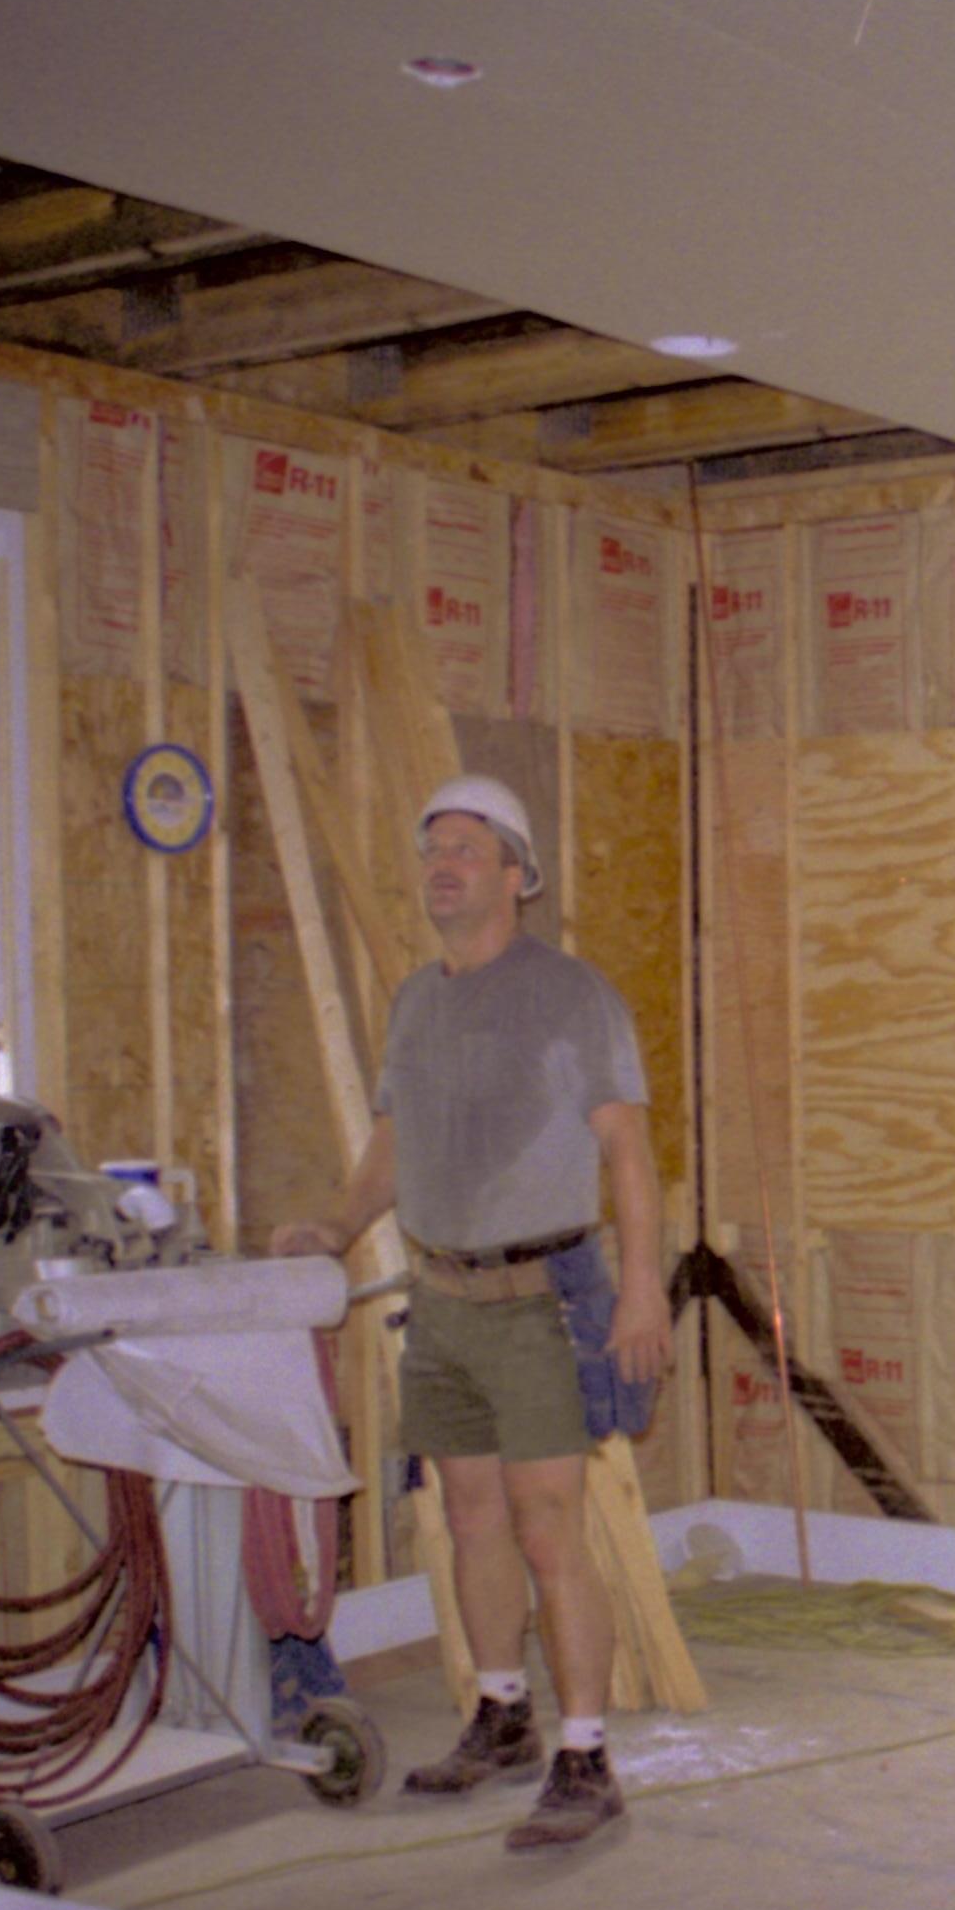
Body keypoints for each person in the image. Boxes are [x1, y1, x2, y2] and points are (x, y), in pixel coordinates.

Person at [275, 775, 672, 1852]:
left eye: (466, 848)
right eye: (431, 848)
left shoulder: (570, 995)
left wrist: (642, 1288)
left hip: (540, 1300)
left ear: (515, 874)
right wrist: (337, 1223)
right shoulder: (417, 1002)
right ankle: (503, 1718)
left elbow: (628, 1153)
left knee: (549, 1528)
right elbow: (394, 1148)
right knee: (471, 1522)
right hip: (439, 1300)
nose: (443, 865)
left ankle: (586, 1757)